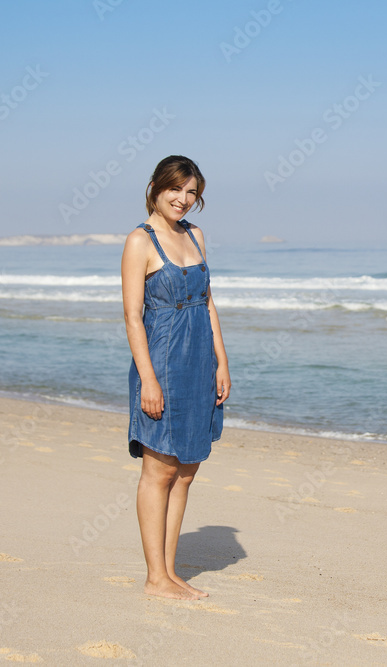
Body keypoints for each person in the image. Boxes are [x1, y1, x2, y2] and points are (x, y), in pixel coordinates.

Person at [121, 155, 231, 600]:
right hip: (162, 360)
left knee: (186, 470)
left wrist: (222, 362)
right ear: (155, 186)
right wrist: (148, 379)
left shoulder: (196, 235)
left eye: (192, 193)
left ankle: (169, 572)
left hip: (199, 358)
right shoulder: (138, 242)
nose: (183, 200)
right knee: (159, 470)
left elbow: (208, 303)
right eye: (176, 190)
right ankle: (155, 579)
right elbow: (132, 317)